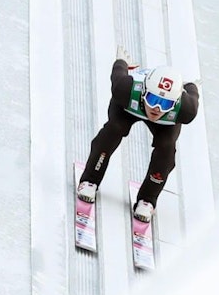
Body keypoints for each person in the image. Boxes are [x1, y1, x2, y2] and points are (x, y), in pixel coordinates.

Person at [77, 48, 200, 222]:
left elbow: (193, 95)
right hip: (128, 108)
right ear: (143, 91)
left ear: (175, 103)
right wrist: (122, 63)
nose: (157, 108)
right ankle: (90, 180)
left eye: (165, 103)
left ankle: (147, 200)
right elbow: (118, 74)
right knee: (112, 130)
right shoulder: (125, 88)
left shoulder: (186, 110)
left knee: (166, 149)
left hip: (166, 123)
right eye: (153, 99)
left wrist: (191, 86)